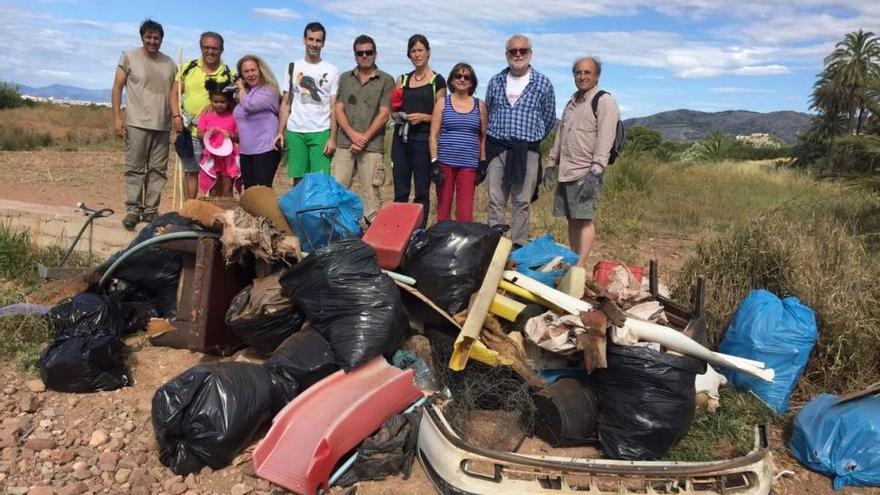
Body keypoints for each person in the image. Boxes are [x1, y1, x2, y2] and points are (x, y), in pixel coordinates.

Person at [546, 56, 620, 267]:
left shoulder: (604, 101)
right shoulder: (571, 103)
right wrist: (551, 163)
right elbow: (561, 134)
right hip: (566, 170)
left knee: (584, 220)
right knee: (572, 218)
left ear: (597, 76)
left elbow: (606, 137)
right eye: (578, 72)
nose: (582, 76)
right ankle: (574, 258)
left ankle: (579, 268)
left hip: (586, 172)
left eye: (587, 72)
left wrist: (596, 171)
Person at [483, 34, 555, 246]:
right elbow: (489, 110)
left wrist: (530, 137)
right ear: (506, 55)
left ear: (530, 53)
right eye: (513, 51)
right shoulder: (496, 81)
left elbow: (549, 118)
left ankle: (518, 246)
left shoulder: (542, 83)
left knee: (522, 201)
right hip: (498, 148)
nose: (518, 54)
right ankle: (493, 245)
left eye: (522, 50)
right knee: (496, 200)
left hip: (527, 151)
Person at [111, 19, 177, 230]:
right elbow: (117, 88)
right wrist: (117, 118)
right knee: (135, 168)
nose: (152, 41)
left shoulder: (170, 63)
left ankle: (150, 210)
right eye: (148, 37)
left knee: (158, 170)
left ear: (161, 40)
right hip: (137, 122)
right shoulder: (129, 57)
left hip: (162, 124)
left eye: (156, 38)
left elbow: (177, 92)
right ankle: (133, 209)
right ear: (142, 37)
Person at [333, 35, 395, 220]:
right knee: (337, 191)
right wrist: (353, 136)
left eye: (368, 52)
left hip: (372, 146)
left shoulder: (386, 80)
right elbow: (338, 109)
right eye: (360, 53)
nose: (364, 56)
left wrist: (364, 138)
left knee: (372, 197)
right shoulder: (345, 78)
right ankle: (336, 233)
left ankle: (373, 239)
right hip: (345, 143)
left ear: (375, 54)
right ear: (355, 56)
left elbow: (384, 114)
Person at [170, 31, 234, 200]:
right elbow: (174, 93)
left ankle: (213, 213)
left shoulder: (229, 73)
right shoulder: (188, 68)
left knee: (217, 174)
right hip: (192, 132)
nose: (210, 52)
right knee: (191, 172)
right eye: (206, 47)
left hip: (218, 137)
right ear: (201, 48)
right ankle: (189, 211)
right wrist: (176, 117)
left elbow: (235, 102)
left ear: (221, 50)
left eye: (215, 48)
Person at [390, 34, 446, 227]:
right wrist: (400, 115)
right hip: (401, 140)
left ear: (428, 52)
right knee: (401, 190)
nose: (417, 54)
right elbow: (393, 111)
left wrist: (423, 117)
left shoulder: (437, 81)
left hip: (424, 141)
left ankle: (418, 234)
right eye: (413, 51)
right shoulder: (402, 80)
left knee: (422, 191)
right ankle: (398, 231)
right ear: (409, 55)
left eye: (420, 50)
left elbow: (441, 117)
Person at [275, 22, 339, 187]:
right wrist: (280, 131)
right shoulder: (292, 67)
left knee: (320, 181)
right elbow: (286, 103)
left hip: (321, 131)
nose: (314, 44)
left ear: (323, 43)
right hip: (296, 130)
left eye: (318, 40)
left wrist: (332, 138)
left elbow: (333, 107)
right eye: (311, 39)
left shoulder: (331, 70)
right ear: (304, 40)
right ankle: (300, 212)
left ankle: (317, 212)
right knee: (298, 180)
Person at [429, 63, 486, 222]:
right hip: (444, 163)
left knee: (465, 213)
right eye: (458, 76)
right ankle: (442, 242)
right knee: (443, 209)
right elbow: (433, 135)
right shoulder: (442, 103)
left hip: (468, 165)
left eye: (466, 77)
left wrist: (482, 162)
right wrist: (434, 163)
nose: (462, 79)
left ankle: (464, 243)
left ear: (472, 82)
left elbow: (484, 135)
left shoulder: (479, 105)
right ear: (452, 81)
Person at [233, 55, 281, 189]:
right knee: (249, 192)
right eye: (246, 71)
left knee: (262, 192)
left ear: (260, 70)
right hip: (246, 151)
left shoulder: (269, 91)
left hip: (265, 149)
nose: (250, 74)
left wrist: (241, 88)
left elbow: (249, 106)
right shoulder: (246, 93)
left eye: (253, 70)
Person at [196, 80, 240, 197]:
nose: (219, 104)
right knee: (214, 190)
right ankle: (214, 213)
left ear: (229, 101)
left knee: (227, 190)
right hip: (211, 156)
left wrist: (230, 135)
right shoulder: (206, 115)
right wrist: (208, 133)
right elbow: (199, 134)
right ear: (210, 101)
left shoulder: (234, 116)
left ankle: (227, 213)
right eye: (215, 101)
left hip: (229, 158)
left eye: (223, 101)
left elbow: (238, 137)